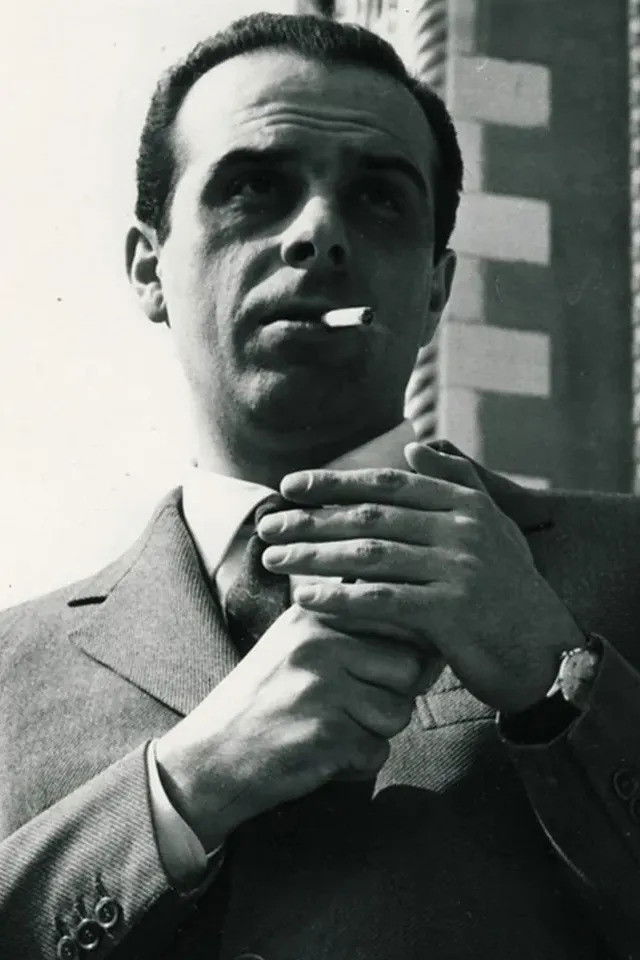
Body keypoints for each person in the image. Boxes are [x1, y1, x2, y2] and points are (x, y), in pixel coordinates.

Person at [0, 12, 638, 960]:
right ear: (148, 265)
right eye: (254, 188)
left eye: (379, 198)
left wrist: (559, 685)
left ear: (435, 291)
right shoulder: (12, 670)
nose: (320, 234)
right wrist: (179, 790)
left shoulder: (624, 564)